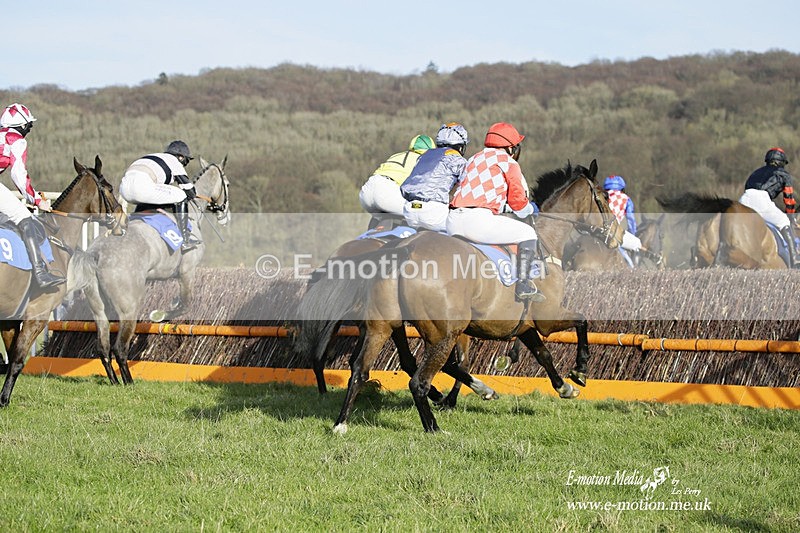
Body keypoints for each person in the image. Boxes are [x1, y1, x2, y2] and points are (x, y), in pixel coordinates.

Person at [447, 122, 544, 302]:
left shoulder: (473, 159)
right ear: (510, 147)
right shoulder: (509, 163)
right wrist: (532, 209)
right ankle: (523, 285)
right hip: (478, 221)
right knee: (528, 233)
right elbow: (519, 206)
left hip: (452, 220)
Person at [0, 103, 65, 288]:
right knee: (23, 217)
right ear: (22, 126)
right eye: (29, 126)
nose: (29, 130)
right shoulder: (17, 140)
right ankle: (40, 273)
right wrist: (36, 200)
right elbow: (18, 176)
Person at [119, 140, 201, 252]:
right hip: (141, 187)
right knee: (180, 195)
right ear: (181, 157)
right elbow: (190, 191)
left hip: (124, 189)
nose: (185, 165)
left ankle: (134, 220)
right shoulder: (174, 161)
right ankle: (186, 240)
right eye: (186, 161)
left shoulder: (153, 156)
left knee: (151, 195)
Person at [400, 123, 469, 232]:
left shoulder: (424, 156)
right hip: (433, 213)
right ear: (461, 146)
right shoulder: (458, 159)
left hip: (409, 211)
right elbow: (466, 186)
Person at [739, 147, 799, 267]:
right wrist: (791, 217)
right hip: (761, 199)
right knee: (784, 221)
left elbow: (747, 189)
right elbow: (789, 200)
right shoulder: (784, 174)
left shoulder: (755, 172)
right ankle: (795, 260)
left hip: (743, 199)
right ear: (781, 162)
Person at [359, 134, 435, 222]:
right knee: (421, 209)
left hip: (366, 193)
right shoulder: (425, 160)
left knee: (381, 217)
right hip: (387, 193)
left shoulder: (397, 155)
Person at [603, 175, 642, 266]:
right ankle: (632, 266)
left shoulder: (601, 195)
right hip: (612, 232)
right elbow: (631, 220)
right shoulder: (626, 199)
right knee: (637, 244)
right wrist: (633, 234)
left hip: (594, 229)